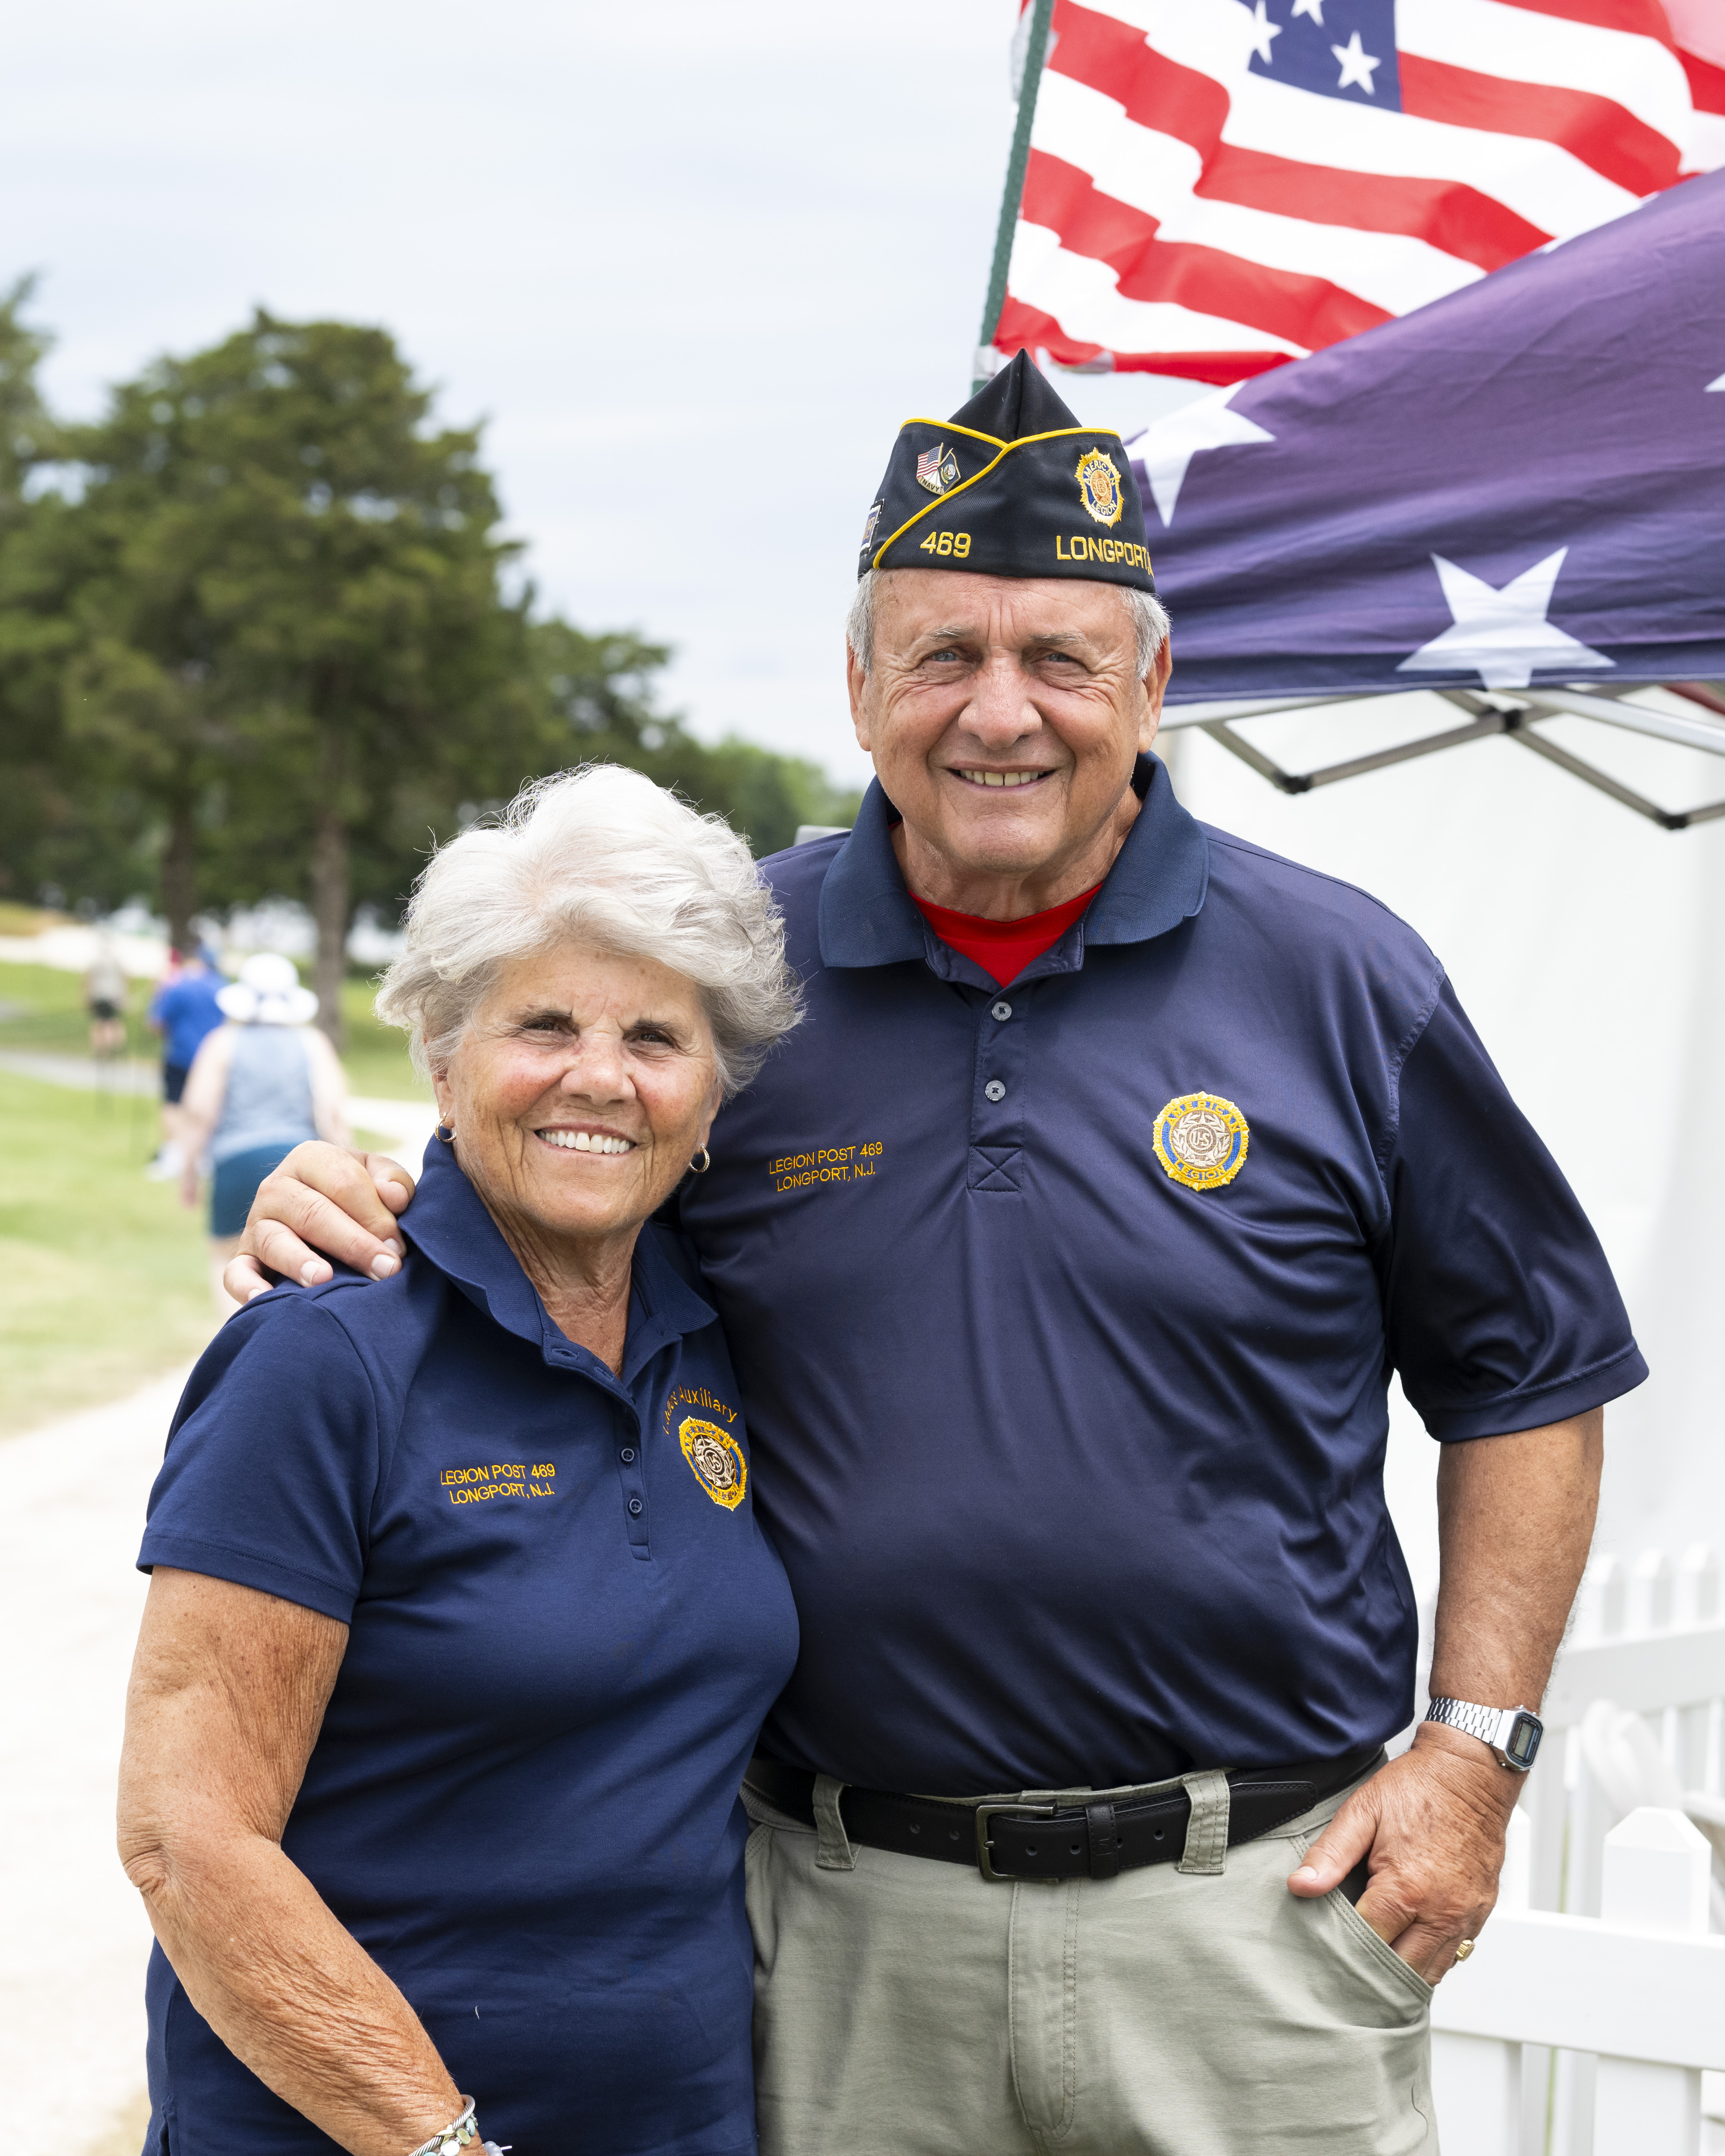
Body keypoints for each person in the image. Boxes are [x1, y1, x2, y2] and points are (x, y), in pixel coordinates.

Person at [225, 354, 1645, 2154]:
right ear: (857, 686)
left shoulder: (1339, 979)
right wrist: (327, 1197)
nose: (1001, 712)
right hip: (841, 1929)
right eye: (943, 655)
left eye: (1059, 657)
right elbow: (528, 1185)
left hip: (1258, 1921)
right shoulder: (730, 977)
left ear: (1150, 681)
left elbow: (1531, 1375)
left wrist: (1473, 1753)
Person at [118, 767, 802, 2156]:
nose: (599, 1076)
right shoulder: (325, 1355)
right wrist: (436, 2144)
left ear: (712, 1089)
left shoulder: (715, 1329)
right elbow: (188, 1843)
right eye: (541, 1022)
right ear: (438, 1053)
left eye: (656, 1036)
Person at [177, 951, 350, 1309]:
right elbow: (332, 1113)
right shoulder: (312, 1043)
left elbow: (199, 1113)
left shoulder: (222, 1042)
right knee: (296, 1262)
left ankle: (236, 1343)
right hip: (299, 1163)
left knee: (229, 1260)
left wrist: (189, 1170)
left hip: (236, 1162)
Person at [145, 946, 226, 1180]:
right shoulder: (222, 986)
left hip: (180, 1055)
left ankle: (174, 1156)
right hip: (213, 1059)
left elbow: (156, 1023)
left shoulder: (177, 986)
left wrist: (158, 994)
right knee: (209, 1104)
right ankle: (204, 1156)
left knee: (173, 1104)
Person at [83, 928, 130, 1059]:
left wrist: (88, 995)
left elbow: (90, 978)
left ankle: (100, 1050)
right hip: (113, 995)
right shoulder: (116, 960)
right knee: (111, 1022)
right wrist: (124, 996)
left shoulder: (97, 960)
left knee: (100, 1023)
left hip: (100, 995)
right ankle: (110, 1050)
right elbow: (124, 978)